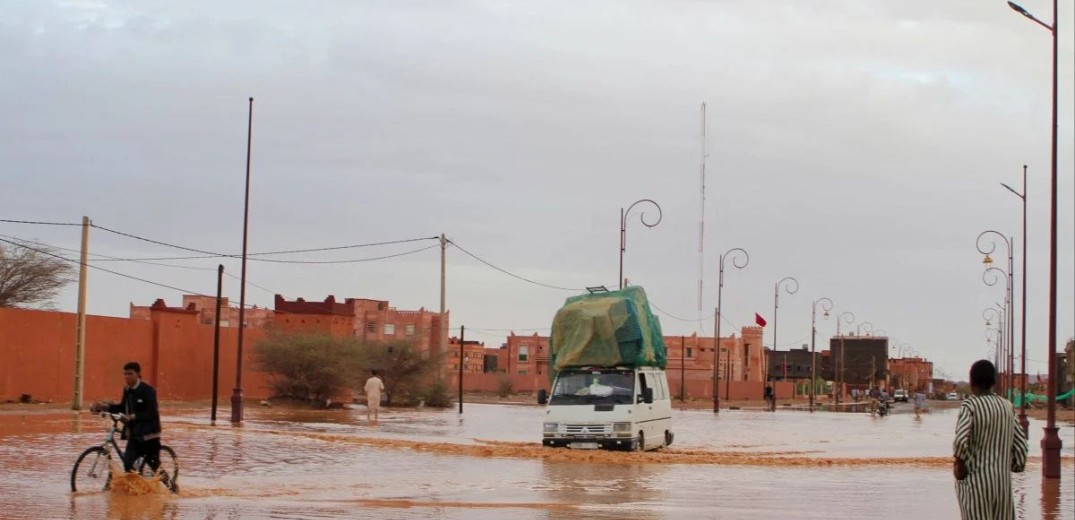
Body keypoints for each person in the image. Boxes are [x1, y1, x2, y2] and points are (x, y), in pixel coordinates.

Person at [953, 360, 1027, 520]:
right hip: (1002, 486)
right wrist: (1013, 466)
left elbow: (960, 440)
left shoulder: (970, 405)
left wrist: (959, 465)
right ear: (993, 382)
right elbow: (1021, 447)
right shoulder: (1007, 406)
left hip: (975, 485)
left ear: (972, 381)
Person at [90, 361, 162, 474]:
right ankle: (136, 489)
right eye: (125, 374)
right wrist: (105, 407)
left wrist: (132, 417)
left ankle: (172, 488)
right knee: (128, 463)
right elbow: (122, 407)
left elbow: (151, 413)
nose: (127, 376)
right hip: (134, 433)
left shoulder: (148, 390)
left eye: (130, 373)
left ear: (138, 374)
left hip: (149, 435)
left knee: (155, 468)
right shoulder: (127, 390)